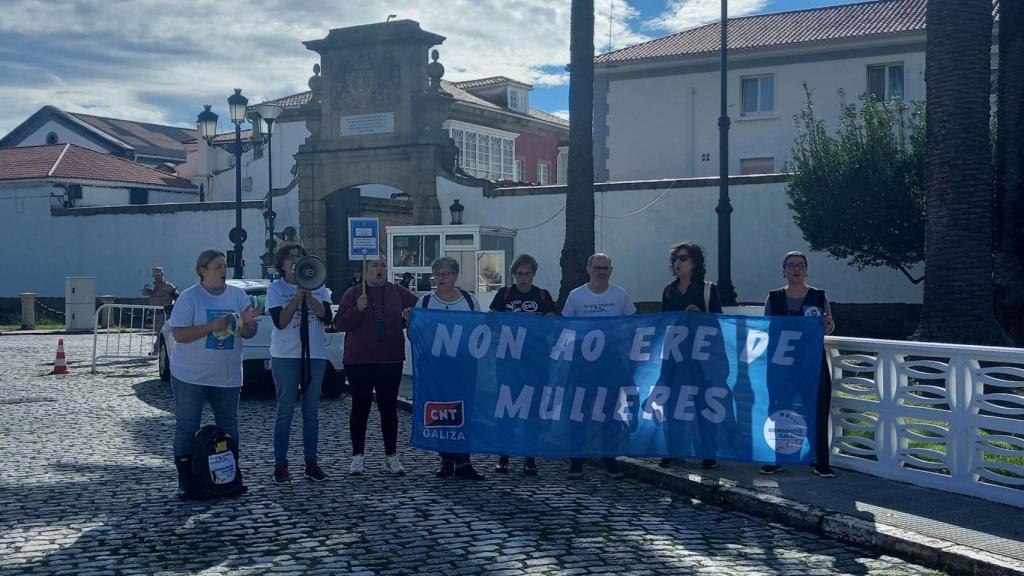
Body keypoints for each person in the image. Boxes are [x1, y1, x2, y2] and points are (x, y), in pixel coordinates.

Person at [168, 250, 261, 499]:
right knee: (187, 427)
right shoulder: (190, 298)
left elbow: (250, 333)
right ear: (203, 270)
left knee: (229, 425)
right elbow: (179, 335)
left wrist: (249, 322)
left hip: (227, 376)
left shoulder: (238, 295)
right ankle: (185, 481)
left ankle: (229, 476)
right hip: (190, 375)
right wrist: (211, 326)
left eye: (224, 267)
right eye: (218, 267)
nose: (223, 271)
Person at [336, 255, 419, 476]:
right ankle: (357, 456)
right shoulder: (353, 293)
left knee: (388, 408)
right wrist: (357, 309)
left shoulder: (396, 291)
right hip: (359, 360)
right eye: (374, 266)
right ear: (365, 270)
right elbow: (339, 323)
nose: (379, 270)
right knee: (360, 407)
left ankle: (391, 456)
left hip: (390, 358)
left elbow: (421, 308)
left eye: (383, 265)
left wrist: (409, 316)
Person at [759, 251, 837, 479]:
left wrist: (827, 324)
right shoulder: (774, 298)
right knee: (779, 408)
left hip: (812, 364)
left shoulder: (819, 296)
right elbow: (766, 326)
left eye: (800, 265)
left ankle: (820, 461)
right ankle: (777, 458)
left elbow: (829, 327)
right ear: (783, 270)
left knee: (817, 409)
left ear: (806, 269)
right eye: (791, 265)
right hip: (782, 364)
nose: (796, 269)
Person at [562, 253, 636, 479]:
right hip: (582, 364)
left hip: (611, 363)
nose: (601, 271)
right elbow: (565, 326)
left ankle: (609, 461)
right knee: (579, 412)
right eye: (597, 267)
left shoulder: (620, 295)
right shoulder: (576, 296)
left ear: (611, 270)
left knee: (609, 413)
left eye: (605, 268)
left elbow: (634, 324)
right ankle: (576, 462)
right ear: (588, 269)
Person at [267, 243, 334, 483]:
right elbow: (281, 322)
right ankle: (281, 464)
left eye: (300, 258)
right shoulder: (276, 289)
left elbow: (326, 317)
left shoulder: (320, 287)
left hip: (314, 354)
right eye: (291, 258)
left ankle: (311, 461)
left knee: (311, 412)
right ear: (282, 264)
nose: (295, 261)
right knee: (285, 410)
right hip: (286, 355)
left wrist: (310, 294)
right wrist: (297, 297)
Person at [417, 256, 487, 480]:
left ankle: (464, 460)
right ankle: (445, 458)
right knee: (441, 410)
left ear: (455, 276)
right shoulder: (426, 302)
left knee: (465, 410)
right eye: (437, 274)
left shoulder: (469, 300)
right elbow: (417, 334)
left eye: (445, 274)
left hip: (464, 365)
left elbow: (478, 330)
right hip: (437, 367)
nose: (440, 278)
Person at [488, 254, 557, 476]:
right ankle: (504, 455)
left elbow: (552, 323)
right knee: (507, 409)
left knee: (532, 411)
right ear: (514, 275)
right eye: (519, 273)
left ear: (533, 274)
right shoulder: (504, 294)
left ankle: (530, 458)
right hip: (508, 362)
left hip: (536, 361)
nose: (523, 277)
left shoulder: (542, 295)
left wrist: (537, 325)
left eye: (527, 273)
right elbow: (490, 321)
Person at [658, 242, 723, 471]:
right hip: (675, 356)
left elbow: (718, 323)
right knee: (674, 404)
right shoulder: (668, 290)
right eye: (675, 258)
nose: (678, 263)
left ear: (695, 263)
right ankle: (674, 450)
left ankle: (708, 453)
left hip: (701, 358)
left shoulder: (707, 290)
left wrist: (701, 317)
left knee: (703, 404)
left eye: (683, 258)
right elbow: (664, 323)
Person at [141, 266, 178, 353]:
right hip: (154, 314)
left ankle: (157, 351)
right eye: (155, 276)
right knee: (158, 333)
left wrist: (174, 307)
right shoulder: (153, 287)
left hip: (164, 314)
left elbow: (177, 297)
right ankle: (158, 350)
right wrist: (144, 289)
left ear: (162, 274)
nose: (157, 277)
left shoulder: (168, 286)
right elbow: (145, 293)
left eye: (158, 275)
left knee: (161, 333)